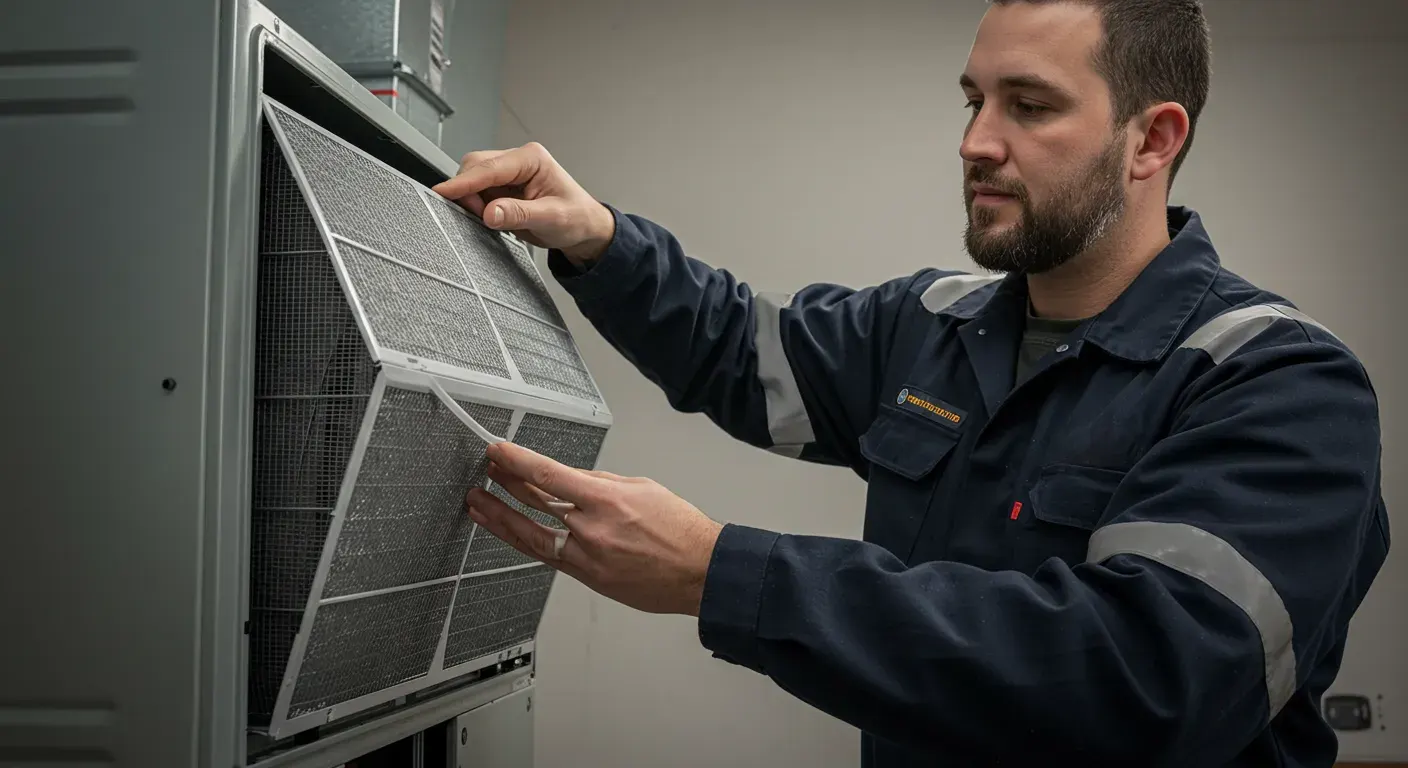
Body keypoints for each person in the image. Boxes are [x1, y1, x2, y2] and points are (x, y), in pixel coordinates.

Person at [433, 0, 1390, 765]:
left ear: (1152, 141)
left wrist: (718, 572)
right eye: (974, 100)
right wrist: (597, 237)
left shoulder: (1279, 384)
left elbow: (1146, 685)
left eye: (1029, 105)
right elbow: (741, 350)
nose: (976, 141)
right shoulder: (935, 323)